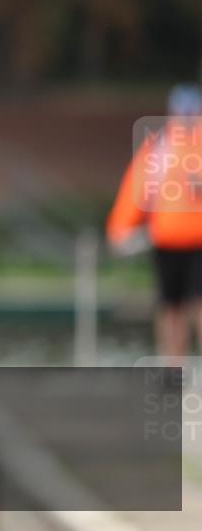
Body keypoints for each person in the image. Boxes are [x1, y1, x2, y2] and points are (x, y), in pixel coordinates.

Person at [107, 83, 202, 367]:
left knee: (195, 305)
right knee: (170, 306)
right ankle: (174, 367)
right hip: (166, 240)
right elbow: (138, 189)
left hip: (198, 241)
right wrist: (120, 228)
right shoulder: (160, 148)